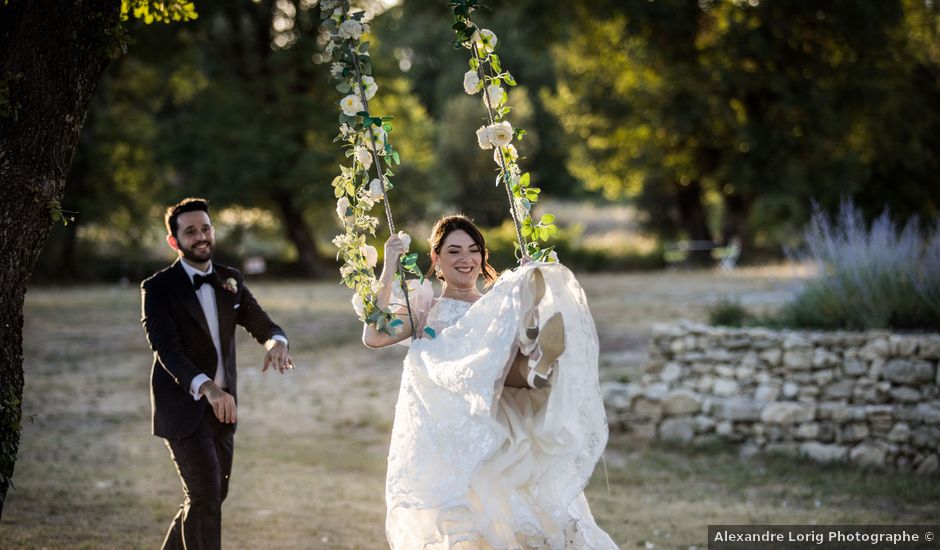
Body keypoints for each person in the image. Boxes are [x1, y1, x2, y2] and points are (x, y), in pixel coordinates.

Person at [363, 214, 617, 549]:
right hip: (450, 425)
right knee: (470, 523)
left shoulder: (494, 307)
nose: (466, 259)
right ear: (436, 260)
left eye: (473, 250)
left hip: (495, 423)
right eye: (454, 251)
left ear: (483, 257)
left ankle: (534, 340)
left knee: (516, 520)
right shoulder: (426, 307)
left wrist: (527, 282)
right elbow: (374, 336)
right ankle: (535, 359)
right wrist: (390, 264)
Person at [141, 197, 294, 550]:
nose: (201, 237)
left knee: (209, 497)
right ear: (174, 240)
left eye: (206, 228)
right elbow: (167, 350)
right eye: (190, 231)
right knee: (205, 496)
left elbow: (260, 321)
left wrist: (276, 342)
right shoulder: (158, 288)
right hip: (183, 409)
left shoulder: (230, 280)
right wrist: (207, 388)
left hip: (225, 410)